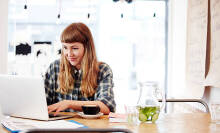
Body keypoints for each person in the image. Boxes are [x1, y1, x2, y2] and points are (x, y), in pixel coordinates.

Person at [44, 22, 116, 115]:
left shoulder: (102, 70)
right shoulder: (55, 67)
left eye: (74, 48)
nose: (69, 54)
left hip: (90, 127)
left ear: (87, 48)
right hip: (60, 127)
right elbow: (42, 104)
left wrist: (68, 103)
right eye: (65, 48)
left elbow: (105, 107)